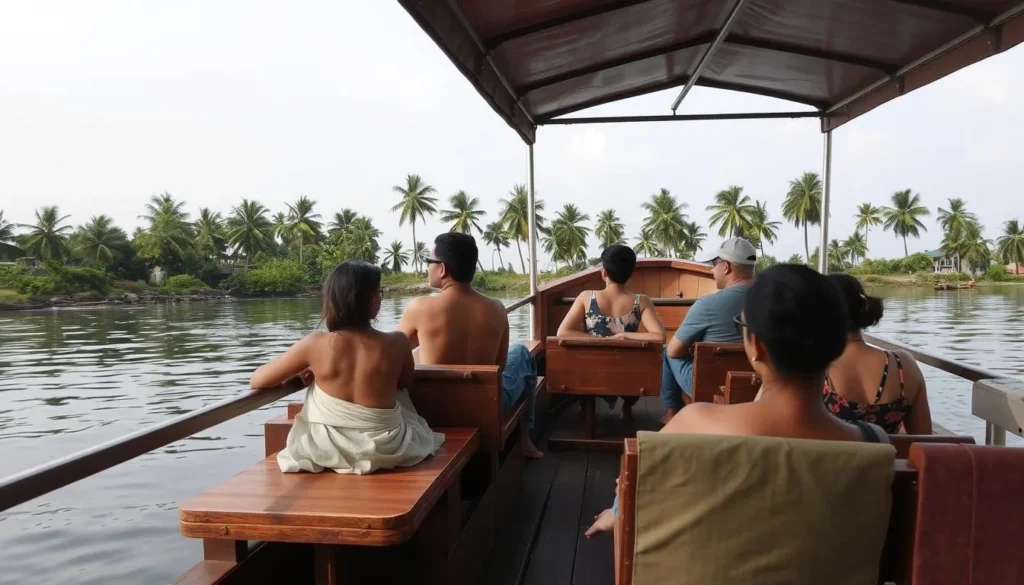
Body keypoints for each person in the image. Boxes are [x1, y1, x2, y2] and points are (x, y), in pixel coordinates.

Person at [585, 264, 889, 537]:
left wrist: (615, 514)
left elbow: (632, 487)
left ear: (755, 345)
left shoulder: (696, 422)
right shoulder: (875, 443)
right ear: (837, 345)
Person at [250, 261, 444, 475]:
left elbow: (258, 380)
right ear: (372, 299)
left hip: (326, 448)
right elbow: (404, 384)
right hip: (387, 446)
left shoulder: (314, 344)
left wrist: (307, 369)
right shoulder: (397, 342)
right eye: (379, 293)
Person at [398, 233, 544, 458]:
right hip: (487, 408)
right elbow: (500, 365)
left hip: (434, 409)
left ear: (442, 269)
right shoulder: (496, 309)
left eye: (428, 261)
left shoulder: (419, 307)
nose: (426, 267)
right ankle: (524, 439)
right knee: (522, 353)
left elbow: (392, 355)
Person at [556, 244, 666, 418]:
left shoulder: (586, 297)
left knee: (580, 363)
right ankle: (627, 406)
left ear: (604, 272)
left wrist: (599, 340)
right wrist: (625, 335)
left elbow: (562, 332)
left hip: (591, 373)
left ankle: (585, 405)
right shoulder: (642, 301)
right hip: (630, 375)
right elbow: (660, 337)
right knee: (638, 365)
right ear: (631, 273)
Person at [660, 237, 756, 423]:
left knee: (668, 351)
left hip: (712, 385)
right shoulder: (775, 301)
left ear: (726, 266)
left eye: (714, 265)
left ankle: (672, 415)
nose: (712, 270)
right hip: (760, 384)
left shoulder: (707, 304)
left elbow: (674, 351)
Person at [823, 274, 932, 434]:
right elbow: (923, 438)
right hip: (887, 451)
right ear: (862, 308)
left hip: (831, 451)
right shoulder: (903, 363)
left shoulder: (816, 368)